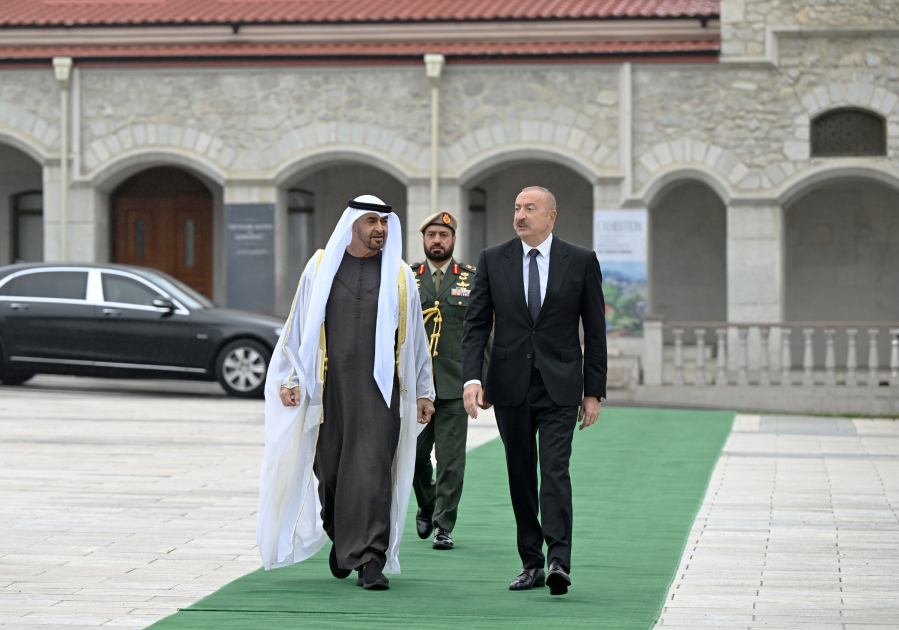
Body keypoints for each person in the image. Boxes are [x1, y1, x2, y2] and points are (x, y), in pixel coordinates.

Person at [256, 195, 435, 591]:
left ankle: (370, 559)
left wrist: (424, 390)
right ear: (353, 224)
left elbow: (416, 340)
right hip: (329, 389)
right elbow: (298, 326)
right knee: (332, 471)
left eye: (384, 222)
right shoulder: (320, 267)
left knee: (372, 472)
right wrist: (290, 378)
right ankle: (340, 536)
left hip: (379, 392)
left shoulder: (401, 275)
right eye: (372, 221)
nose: (380, 229)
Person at [461, 186, 607, 596]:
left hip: (561, 385)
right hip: (510, 386)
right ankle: (531, 562)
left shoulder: (580, 260)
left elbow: (595, 330)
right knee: (521, 475)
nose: (520, 215)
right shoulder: (493, 259)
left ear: (551, 216)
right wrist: (472, 379)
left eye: (530, 208)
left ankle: (559, 559)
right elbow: (476, 324)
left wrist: (593, 391)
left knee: (555, 471)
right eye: (516, 208)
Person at [408, 212, 478, 551]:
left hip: (454, 384)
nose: (437, 240)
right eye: (431, 235)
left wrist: (484, 380)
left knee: (451, 461)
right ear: (424, 239)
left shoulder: (471, 279)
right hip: (414, 387)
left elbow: (481, 332)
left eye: (444, 235)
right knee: (413, 457)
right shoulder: (407, 277)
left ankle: (444, 525)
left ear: (453, 240)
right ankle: (427, 501)